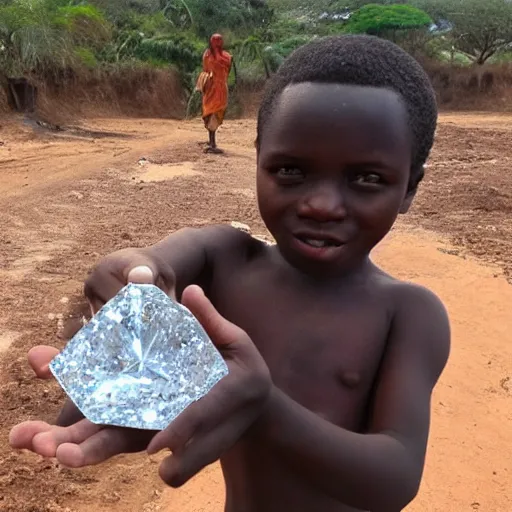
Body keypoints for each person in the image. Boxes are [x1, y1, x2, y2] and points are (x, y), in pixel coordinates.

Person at [10, 35, 450, 512]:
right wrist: (129, 284)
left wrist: (260, 407)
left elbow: (395, 478)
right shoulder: (224, 258)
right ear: (259, 158)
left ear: (409, 188)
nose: (322, 205)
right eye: (290, 170)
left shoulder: (408, 313)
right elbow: (155, 268)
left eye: (366, 179)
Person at [197, 33, 232, 154]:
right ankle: (211, 141)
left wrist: (217, 53)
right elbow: (206, 70)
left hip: (220, 90)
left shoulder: (227, 57)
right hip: (210, 89)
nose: (217, 43)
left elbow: (226, 69)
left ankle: (213, 143)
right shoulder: (206, 55)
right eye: (214, 40)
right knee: (208, 113)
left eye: (219, 40)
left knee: (215, 114)